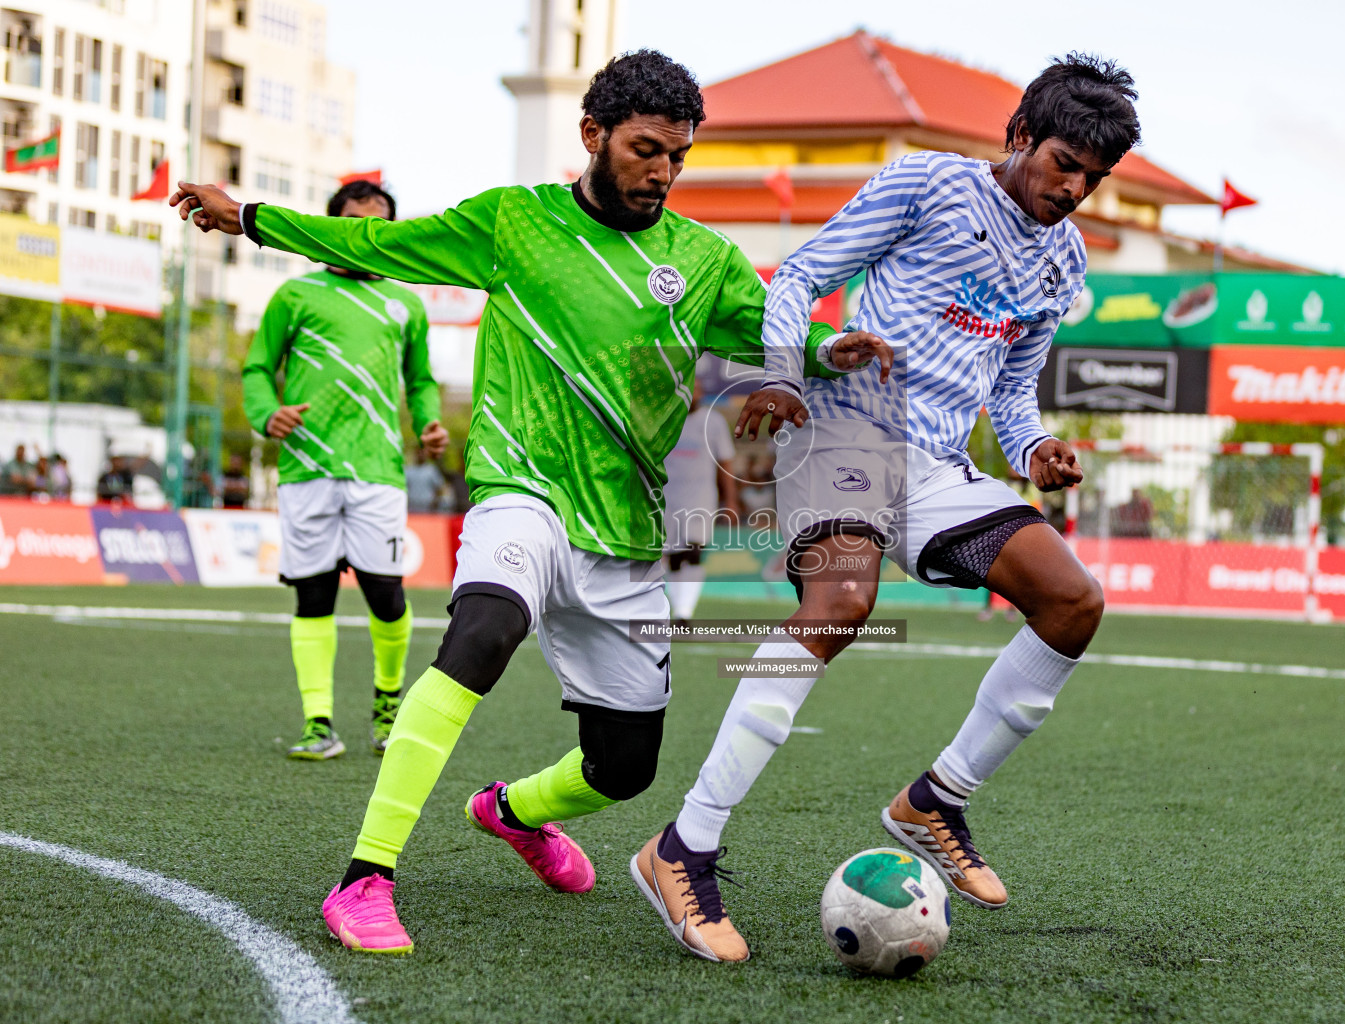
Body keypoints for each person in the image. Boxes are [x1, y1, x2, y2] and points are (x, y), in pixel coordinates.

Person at [173, 48, 886, 955]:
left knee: (624, 771)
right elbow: (380, 245)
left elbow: (772, 336)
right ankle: (364, 879)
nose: (662, 171)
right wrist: (255, 219)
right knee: (483, 631)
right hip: (523, 491)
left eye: (678, 155)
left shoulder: (704, 261)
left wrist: (831, 353)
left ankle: (511, 812)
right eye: (644, 150)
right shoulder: (515, 221)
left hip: (625, 529)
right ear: (591, 135)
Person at [631, 53, 1134, 962]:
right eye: (1064, 163)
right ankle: (684, 845)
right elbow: (796, 277)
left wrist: (1035, 449)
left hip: (938, 462)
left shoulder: (1065, 259)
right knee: (842, 606)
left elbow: (1013, 394)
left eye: (1094, 179)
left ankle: (938, 799)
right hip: (848, 424)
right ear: (1020, 136)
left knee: (1074, 602)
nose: (1076, 189)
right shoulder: (928, 183)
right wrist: (785, 371)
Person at [240, 178, 447, 763]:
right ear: (333, 225)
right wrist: (265, 413)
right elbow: (257, 368)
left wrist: (427, 423)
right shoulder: (295, 295)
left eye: (375, 226)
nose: (363, 235)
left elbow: (422, 382)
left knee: (386, 595)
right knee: (313, 596)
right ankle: (318, 723)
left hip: (378, 471)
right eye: (352, 222)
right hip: (305, 468)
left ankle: (388, 707)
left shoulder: (406, 303)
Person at [661, 382, 740, 624]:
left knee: (695, 552)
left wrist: (731, 500)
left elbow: (725, 462)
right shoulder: (664, 420)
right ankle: (678, 609)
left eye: (697, 388)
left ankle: (684, 613)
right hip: (669, 498)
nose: (694, 393)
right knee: (674, 556)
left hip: (701, 499)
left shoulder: (713, 422)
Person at [404, 448, 447, 513]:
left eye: (423, 453)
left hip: (428, 508)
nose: (420, 455)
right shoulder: (408, 470)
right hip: (412, 507)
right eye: (418, 453)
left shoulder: (431, 470)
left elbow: (440, 488)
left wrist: (435, 502)